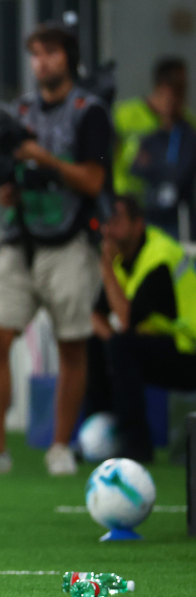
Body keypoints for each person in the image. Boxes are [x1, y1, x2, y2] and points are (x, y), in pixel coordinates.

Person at [0, 23, 112, 478]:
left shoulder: (89, 112)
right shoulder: (18, 110)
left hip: (73, 239)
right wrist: (8, 188)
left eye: (52, 52)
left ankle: (61, 445)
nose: (43, 62)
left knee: (72, 344)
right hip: (20, 237)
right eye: (36, 54)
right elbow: (7, 173)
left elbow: (94, 182)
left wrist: (44, 160)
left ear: (70, 58)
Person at [87, 195, 196, 463]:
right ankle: (99, 433)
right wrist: (112, 341)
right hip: (168, 347)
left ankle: (137, 446)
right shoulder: (124, 259)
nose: (108, 229)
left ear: (138, 224)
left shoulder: (159, 256)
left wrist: (105, 267)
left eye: (116, 220)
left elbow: (125, 319)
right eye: (106, 221)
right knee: (98, 344)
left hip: (190, 351)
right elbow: (95, 315)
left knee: (122, 347)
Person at [126, 60, 195, 240]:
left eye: (179, 90)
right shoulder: (147, 134)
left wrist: (155, 167)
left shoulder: (188, 133)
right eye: (166, 93)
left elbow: (182, 173)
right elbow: (136, 168)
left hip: (178, 219)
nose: (170, 100)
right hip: (144, 212)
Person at [112, 57, 193, 199]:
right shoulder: (124, 115)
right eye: (175, 88)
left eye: (183, 88)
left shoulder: (187, 124)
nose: (179, 96)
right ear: (160, 86)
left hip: (168, 207)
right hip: (126, 202)